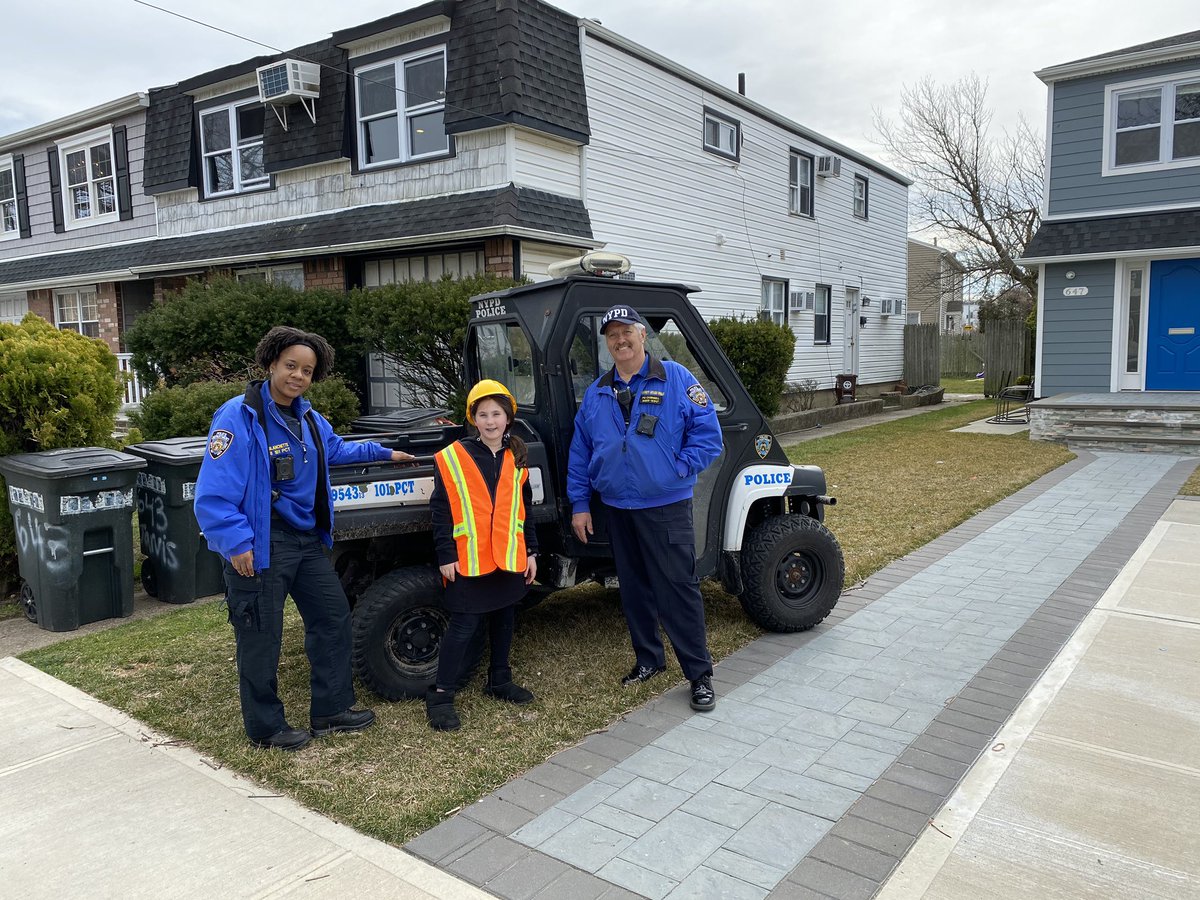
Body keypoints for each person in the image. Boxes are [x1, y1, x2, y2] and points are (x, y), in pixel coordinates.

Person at [194, 326, 415, 751]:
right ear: (271, 363)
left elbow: (336, 450)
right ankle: (266, 727)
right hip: (261, 543)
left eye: (307, 370)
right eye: (291, 366)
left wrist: (386, 453)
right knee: (261, 635)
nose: (298, 376)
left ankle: (332, 710)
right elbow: (213, 494)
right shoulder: (239, 417)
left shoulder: (308, 418)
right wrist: (237, 543)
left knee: (332, 618)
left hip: (306, 540)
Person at [567, 305, 724, 712]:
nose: (620, 340)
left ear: (641, 335)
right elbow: (580, 451)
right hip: (617, 507)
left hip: (665, 506)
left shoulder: (675, 378)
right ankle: (649, 659)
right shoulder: (597, 392)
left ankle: (699, 674)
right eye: (612, 335)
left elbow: (708, 435)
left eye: (626, 333)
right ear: (607, 343)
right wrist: (581, 504)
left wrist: (679, 466)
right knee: (633, 589)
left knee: (677, 589)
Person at [426, 379, 538, 731]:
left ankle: (499, 680)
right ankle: (441, 695)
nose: (490, 421)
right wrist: (446, 554)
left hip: (508, 557)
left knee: (505, 617)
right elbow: (441, 511)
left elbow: (526, 510)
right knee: (464, 626)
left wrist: (531, 551)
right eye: (483, 414)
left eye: (497, 414)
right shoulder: (452, 457)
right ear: (472, 418)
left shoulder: (517, 457)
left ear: (508, 419)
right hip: (468, 559)